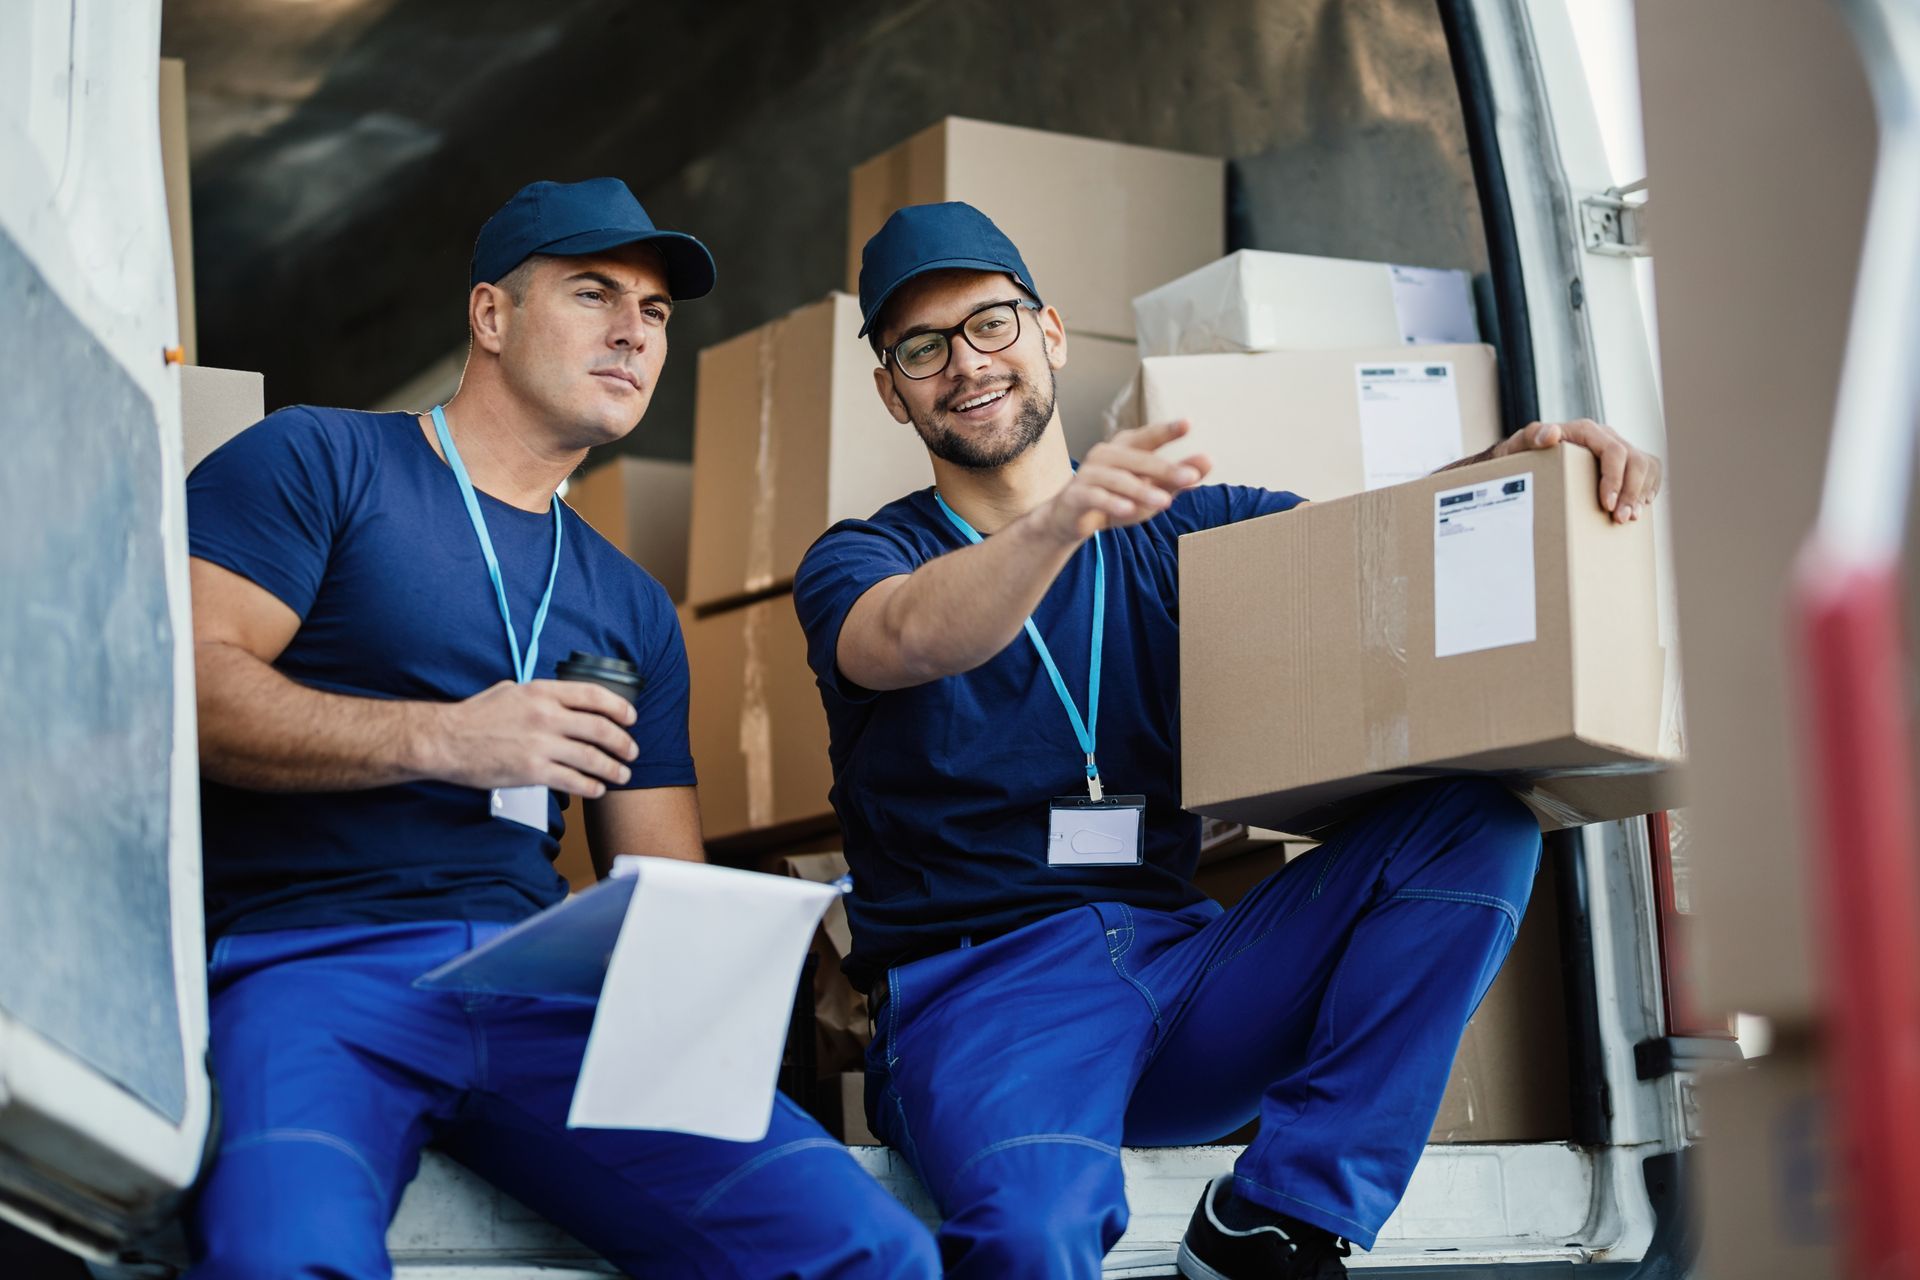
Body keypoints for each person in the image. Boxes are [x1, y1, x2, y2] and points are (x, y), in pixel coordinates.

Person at [791, 201, 1663, 1279]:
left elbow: (1369, 554)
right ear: (891, 389)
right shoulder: (861, 559)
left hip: (1187, 973)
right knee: (1029, 1234)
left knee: (1475, 824)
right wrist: (1057, 523)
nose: (965, 363)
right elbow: (909, 633)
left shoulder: (1186, 530)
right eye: (920, 348)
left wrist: (1521, 466)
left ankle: (1282, 1216)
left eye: (989, 324)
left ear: (1050, 331)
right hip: (987, 1000)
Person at [182, 178, 938, 1279]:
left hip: (543, 996)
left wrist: (749, 945)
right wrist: (448, 740)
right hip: (318, 968)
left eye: (658, 313)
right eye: (595, 293)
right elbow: (188, 689)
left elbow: (662, 894)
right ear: (492, 315)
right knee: (280, 1254)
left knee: (867, 1250)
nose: (636, 329)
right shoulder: (319, 461)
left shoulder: (630, 602)